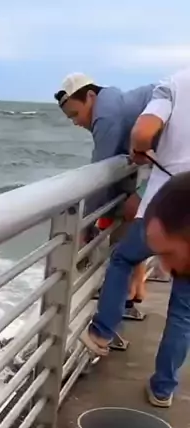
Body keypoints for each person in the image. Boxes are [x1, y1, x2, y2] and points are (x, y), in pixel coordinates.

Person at [80, 66, 190, 408]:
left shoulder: (176, 83)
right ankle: (163, 388)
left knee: (124, 257)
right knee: (184, 310)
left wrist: (140, 152)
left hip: (168, 204)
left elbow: (143, 132)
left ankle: (102, 331)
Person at [54, 73, 156, 319]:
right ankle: (131, 291)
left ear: (91, 96)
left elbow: (100, 175)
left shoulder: (106, 115)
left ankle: (116, 308)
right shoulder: (115, 103)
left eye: (75, 114)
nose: (76, 122)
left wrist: (85, 225)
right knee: (132, 212)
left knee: (132, 211)